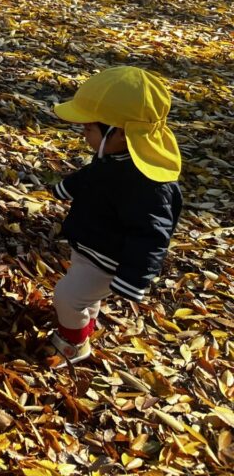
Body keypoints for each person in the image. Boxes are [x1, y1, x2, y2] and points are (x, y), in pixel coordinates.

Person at [48, 66, 183, 364]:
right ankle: (86, 322)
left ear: (120, 133)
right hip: (90, 244)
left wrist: (134, 279)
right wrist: (66, 187)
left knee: (66, 297)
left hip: (108, 260)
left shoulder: (149, 184)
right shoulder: (113, 157)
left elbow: (152, 233)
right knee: (82, 294)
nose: (84, 135)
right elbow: (91, 177)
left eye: (88, 129)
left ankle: (74, 344)